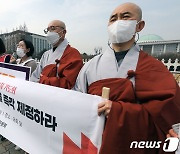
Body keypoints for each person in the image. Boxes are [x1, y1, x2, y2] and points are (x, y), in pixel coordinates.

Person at [74, 2, 180, 154]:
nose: (118, 22)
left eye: (125, 17)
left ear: (139, 26)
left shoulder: (153, 68)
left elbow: (166, 121)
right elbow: (77, 103)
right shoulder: (90, 66)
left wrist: (119, 111)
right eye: (113, 19)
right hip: (94, 142)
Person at [31, 20, 83, 89]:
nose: (49, 33)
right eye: (48, 30)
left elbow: (68, 83)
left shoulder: (73, 53)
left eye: (53, 28)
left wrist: (44, 80)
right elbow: (35, 77)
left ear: (63, 32)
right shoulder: (46, 54)